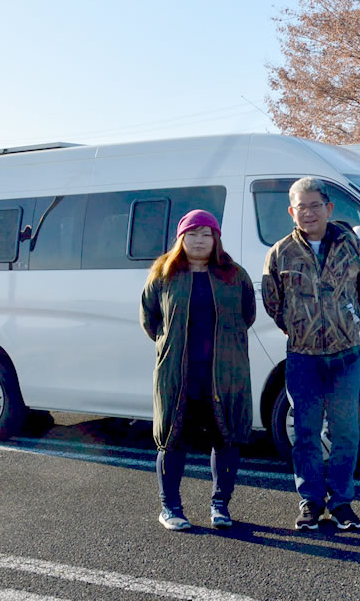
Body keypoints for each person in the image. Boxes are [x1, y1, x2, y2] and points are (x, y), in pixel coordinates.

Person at [261, 177, 360, 530]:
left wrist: (349, 323)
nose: (309, 213)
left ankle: (342, 503)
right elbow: (272, 300)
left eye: (316, 205)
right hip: (303, 358)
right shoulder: (281, 252)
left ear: (329, 209)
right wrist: (297, 327)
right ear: (291, 212)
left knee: (346, 433)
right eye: (301, 207)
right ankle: (311, 502)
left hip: (346, 357)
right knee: (306, 433)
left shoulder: (352, 246)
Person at [140, 209, 256, 531]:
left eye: (207, 234)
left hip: (224, 373)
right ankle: (170, 507)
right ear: (181, 238)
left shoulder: (234, 275)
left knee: (226, 437)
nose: (200, 240)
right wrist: (170, 347)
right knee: (172, 439)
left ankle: (220, 506)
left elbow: (248, 314)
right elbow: (150, 319)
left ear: (216, 238)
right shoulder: (163, 275)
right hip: (178, 374)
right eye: (193, 233)